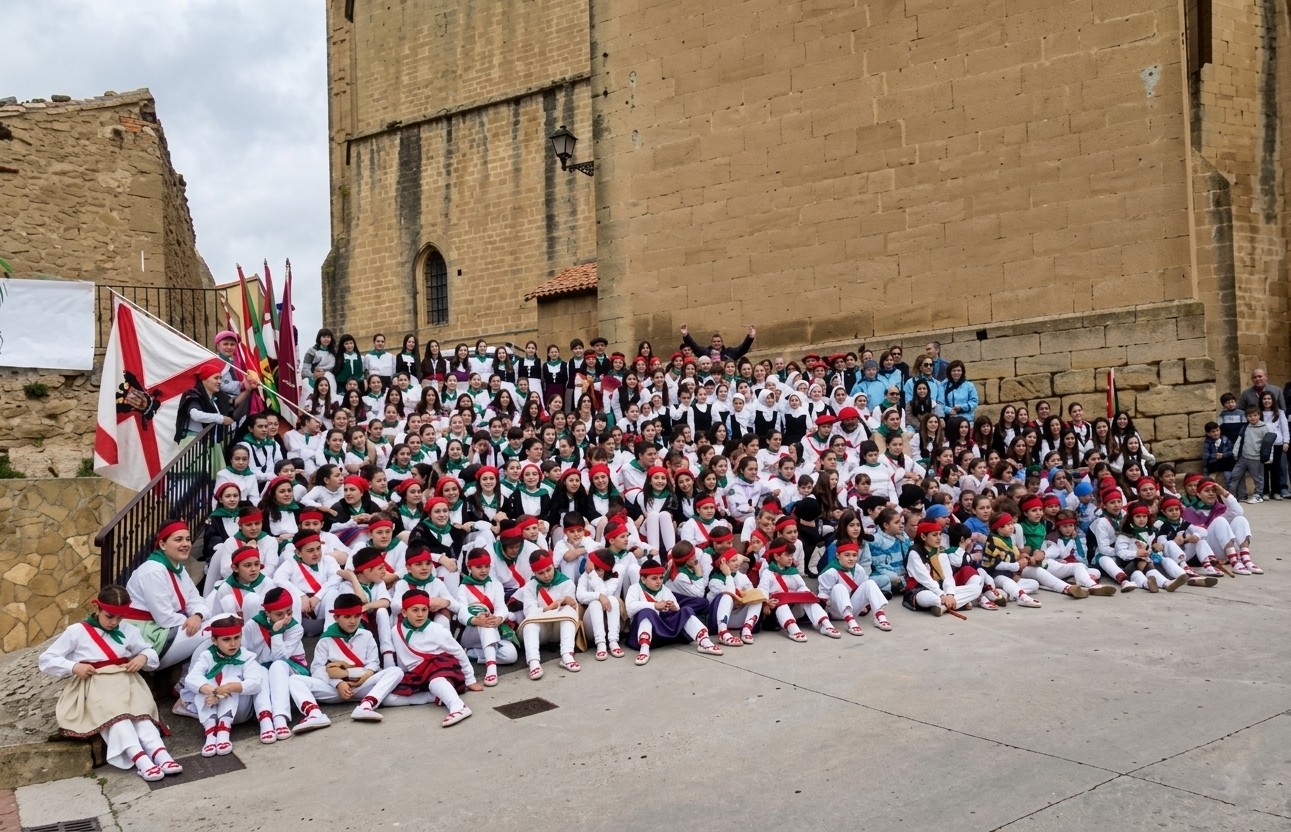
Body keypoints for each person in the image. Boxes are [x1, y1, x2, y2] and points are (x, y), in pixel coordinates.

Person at [39, 586, 181, 782]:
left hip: (126, 681)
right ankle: (141, 761)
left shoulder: (129, 630)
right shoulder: (76, 631)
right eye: (110, 617)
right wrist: (73, 666)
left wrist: (142, 657)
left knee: (142, 717)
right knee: (118, 719)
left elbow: (150, 653)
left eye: (120, 618)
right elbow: (47, 659)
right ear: (97, 609)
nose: (115, 622)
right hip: (96, 684)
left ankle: (161, 755)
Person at [289, 593, 407, 732]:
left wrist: (362, 675)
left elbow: (373, 663)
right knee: (294, 680)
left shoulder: (367, 635)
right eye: (347, 617)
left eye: (357, 616)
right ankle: (314, 715)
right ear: (336, 617)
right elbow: (317, 670)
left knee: (396, 671)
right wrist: (338, 683)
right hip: (334, 690)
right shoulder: (325, 640)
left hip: (363, 685)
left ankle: (366, 706)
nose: (353, 621)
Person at [389, 589, 481, 726]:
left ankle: (458, 706)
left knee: (436, 681)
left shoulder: (437, 630)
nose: (420, 615)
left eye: (424, 610)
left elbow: (459, 652)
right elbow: (402, 659)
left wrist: (470, 680)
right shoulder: (396, 630)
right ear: (404, 612)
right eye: (415, 610)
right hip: (417, 674)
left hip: (441, 668)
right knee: (389, 698)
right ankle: (431, 697)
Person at [183, 613, 270, 757]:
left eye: (237, 638)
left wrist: (228, 687)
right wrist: (213, 691)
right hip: (213, 708)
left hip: (240, 711)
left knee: (232, 679)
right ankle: (211, 734)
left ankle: (224, 732)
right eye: (226, 639)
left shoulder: (246, 656)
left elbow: (255, 684)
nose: (233, 644)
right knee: (203, 683)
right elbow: (191, 678)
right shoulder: (206, 655)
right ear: (214, 640)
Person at [625, 558, 722, 665]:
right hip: (646, 634)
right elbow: (630, 608)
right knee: (646, 612)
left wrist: (673, 606)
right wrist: (655, 606)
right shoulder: (635, 588)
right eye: (654, 578)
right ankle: (644, 650)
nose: (659, 582)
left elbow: (676, 606)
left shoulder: (664, 589)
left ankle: (704, 642)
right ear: (643, 579)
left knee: (686, 610)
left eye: (661, 578)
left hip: (664, 630)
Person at [516, 550, 581, 679]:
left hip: (558, 630)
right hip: (541, 631)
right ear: (534, 573)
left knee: (569, 610)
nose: (546, 575)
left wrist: (568, 602)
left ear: (553, 566)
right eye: (540, 573)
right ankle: (533, 662)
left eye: (548, 570)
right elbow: (529, 611)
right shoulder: (529, 586)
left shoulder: (566, 582)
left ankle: (567, 654)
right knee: (530, 623)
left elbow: (572, 610)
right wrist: (548, 609)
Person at [903, 520, 983, 616]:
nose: (939, 538)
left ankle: (943, 606)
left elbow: (948, 577)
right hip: (920, 590)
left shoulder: (941, 552)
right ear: (923, 537)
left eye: (940, 534)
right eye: (934, 535)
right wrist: (941, 595)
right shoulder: (915, 552)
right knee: (930, 597)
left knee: (976, 589)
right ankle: (953, 603)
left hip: (941, 589)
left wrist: (949, 594)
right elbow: (924, 578)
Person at [817, 541, 891, 633]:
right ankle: (850, 623)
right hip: (834, 610)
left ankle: (879, 616)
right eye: (847, 555)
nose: (851, 559)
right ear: (838, 555)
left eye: (854, 555)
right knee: (839, 587)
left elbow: (864, 590)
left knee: (870, 583)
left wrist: (866, 606)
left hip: (852, 608)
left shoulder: (859, 569)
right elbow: (823, 595)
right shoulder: (830, 572)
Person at [577, 548, 624, 660]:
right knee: (595, 603)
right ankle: (601, 643)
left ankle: (613, 641)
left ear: (603, 570)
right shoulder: (585, 576)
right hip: (591, 626)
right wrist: (598, 596)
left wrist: (595, 578)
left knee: (612, 599)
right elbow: (580, 596)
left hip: (609, 622)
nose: (591, 570)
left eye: (596, 569)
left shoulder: (614, 577)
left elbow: (605, 593)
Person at [175, 359, 234, 440]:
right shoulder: (193, 395)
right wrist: (220, 418)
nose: (220, 381)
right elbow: (195, 415)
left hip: (209, 441)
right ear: (204, 379)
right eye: (216, 378)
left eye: (220, 378)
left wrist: (247, 390)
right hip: (193, 443)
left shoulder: (216, 397)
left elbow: (234, 403)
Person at [679, 322, 756, 362]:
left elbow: (743, 349)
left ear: (722, 343)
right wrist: (685, 335)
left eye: (718, 341)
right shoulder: (705, 352)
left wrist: (750, 337)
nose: (716, 343)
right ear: (711, 343)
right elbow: (694, 347)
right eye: (714, 341)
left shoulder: (730, 352)